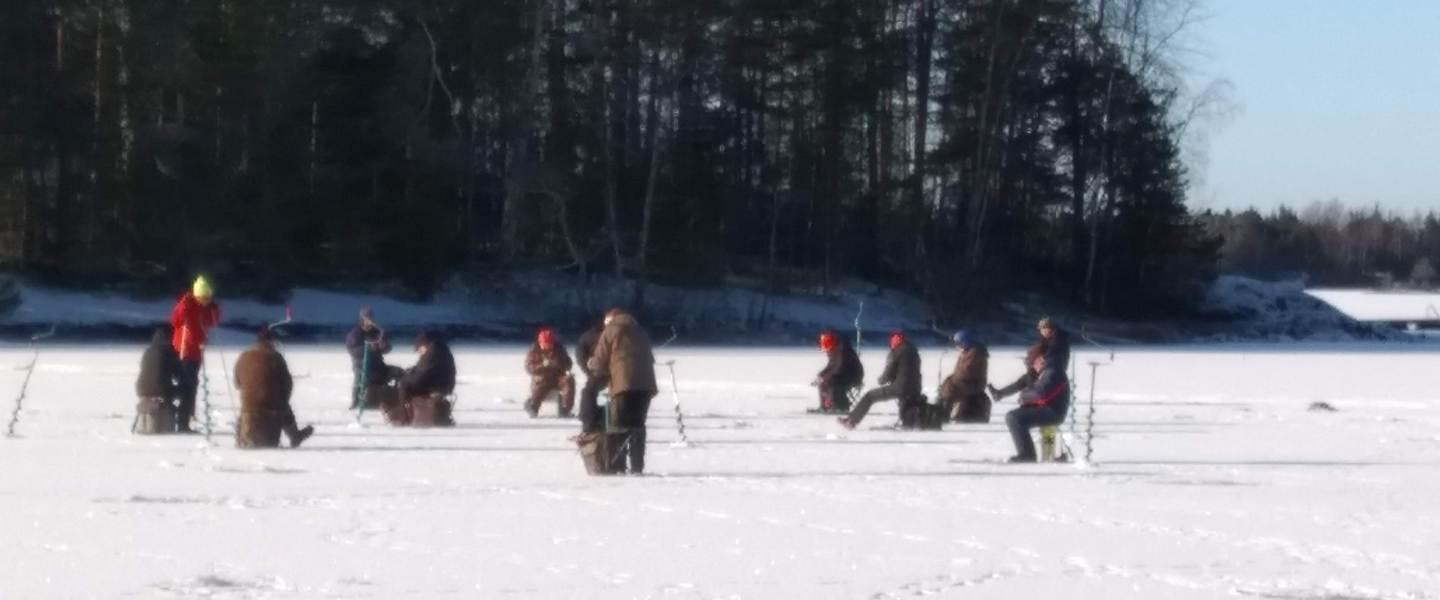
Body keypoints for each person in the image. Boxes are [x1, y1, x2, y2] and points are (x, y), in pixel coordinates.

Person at [587, 308, 657, 475]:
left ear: (610, 320)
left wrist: (591, 364)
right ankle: (637, 466)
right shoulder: (641, 332)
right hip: (646, 386)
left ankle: (616, 466)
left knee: (618, 425)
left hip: (623, 384)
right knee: (638, 426)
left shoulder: (611, 330)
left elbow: (600, 359)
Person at [233, 326, 314, 448]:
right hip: (272, 408)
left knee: (247, 405)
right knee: (284, 405)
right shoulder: (276, 357)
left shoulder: (243, 357)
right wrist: (283, 401)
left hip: (249, 406)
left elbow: (237, 383)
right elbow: (287, 384)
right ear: (271, 342)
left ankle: (241, 437)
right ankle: (295, 435)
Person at [838, 331, 921, 430]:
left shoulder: (896, 352)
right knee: (906, 400)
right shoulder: (913, 351)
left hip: (900, 388)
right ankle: (909, 422)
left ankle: (851, 421)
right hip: (915, 388)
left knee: (870, 396)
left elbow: (888, 372)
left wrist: (882, 380)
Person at [169, 276, 221, 433]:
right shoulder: (187, 306)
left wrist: (214, 307)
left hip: (197, 353)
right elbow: (174, 321)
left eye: (208, 298)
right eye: (204, 298)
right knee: (187, 388)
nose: (206, 300)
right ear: (197, 296)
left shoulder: (205, 308)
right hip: (184, 353)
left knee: (191, 386)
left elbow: (214, 322)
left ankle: (186, 418)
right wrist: (182, 306)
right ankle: (182, 422)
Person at [1003, 354, 1070, 463]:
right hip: (1049, 409)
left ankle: (1030, 455)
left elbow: (1041, 393)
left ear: (1040, 360)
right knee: (1018, 418)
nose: (1032, 368)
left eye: (1032, 364)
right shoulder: (1047, 372)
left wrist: (1024, 396)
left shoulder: (1052, 372)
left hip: (1052, 411)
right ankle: (1048, 456)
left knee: (1014, 418)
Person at [397, 330, 457, 426]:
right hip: (442, 383)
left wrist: (407, 378)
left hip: (437, 386)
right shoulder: (438, 350)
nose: (419, 353)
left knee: (404, 385)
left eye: (418, 350)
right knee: (407, 383)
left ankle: (405, 417)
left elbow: (422, 375)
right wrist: (412, 371)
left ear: (423, 345)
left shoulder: (432, 353)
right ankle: (409, 414)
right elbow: (423, 369)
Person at [346, 307, 396, 409]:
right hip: (361, 365)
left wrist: (384, 346)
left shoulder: (377, 332)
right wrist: (369, 348)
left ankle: (392, 398)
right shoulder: (355, 333)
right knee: (360, 377)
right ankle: (355, 401)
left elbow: (387, 348)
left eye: (371, 317)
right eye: (367, 318)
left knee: (397, 372)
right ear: (362, 319)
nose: (370, 320)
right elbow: (353, 350)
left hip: (378, 365)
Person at [134, 326, 180, 433]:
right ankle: (177, 423)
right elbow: (177, 373)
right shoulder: (169, 352)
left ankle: (145, 423)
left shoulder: (148, 351)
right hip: (160, 389)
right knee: (185, 391)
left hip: (141, 388)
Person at [939, 330, 990, 423]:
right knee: (948, 383)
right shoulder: (968, 352)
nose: (957, 346)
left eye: (958, 343)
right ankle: (943, 411)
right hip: (967, 382)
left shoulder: (975, 353)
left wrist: (953, 379)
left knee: (950, 386)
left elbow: (967, 372)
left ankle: (944, 414)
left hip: (974, 384)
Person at [525, 328, 576, 418]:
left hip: (558, 377)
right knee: (540, 384)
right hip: (542, 377)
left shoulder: (560, 349)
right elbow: (529, 367)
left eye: (549, 344)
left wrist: (560, 365)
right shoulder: (534, 351)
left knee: (569, 381)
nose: (547, 346)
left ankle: (566, 408)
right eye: (545, 344)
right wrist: (542, 366)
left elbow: (568, 363)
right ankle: (533, 406)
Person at [812, 330, 863, 412]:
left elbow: (840, 367)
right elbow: (830, 366)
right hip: (842, 375)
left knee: (833, 382)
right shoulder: (834, 351)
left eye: (827, 343)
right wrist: (821, 375)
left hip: (852, 376)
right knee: (823, 383)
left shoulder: (842, 351)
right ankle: (825, 406)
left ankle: (840, 406)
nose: (826, 347)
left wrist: (826, 377)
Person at [575, 319, 607, 434]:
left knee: (588, 392)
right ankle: (588, 421)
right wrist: (589, 371)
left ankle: (590, 422)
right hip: (598, 373)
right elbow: (581, 356)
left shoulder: (618, 335)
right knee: (588, 392)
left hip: (616, 373)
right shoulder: (588, 337)